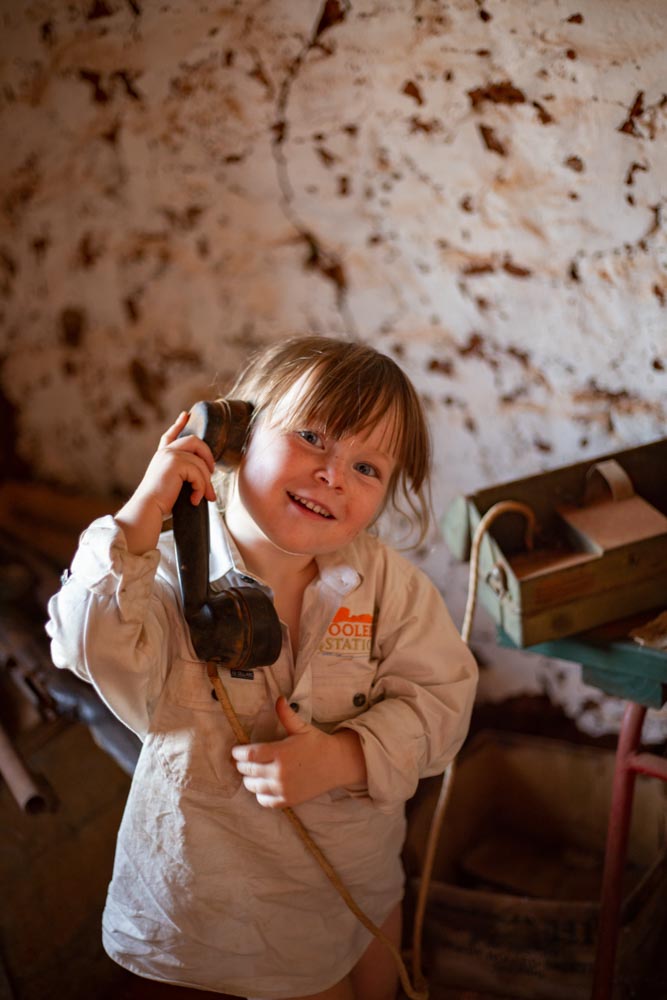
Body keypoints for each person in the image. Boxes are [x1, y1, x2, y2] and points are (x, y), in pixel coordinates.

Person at [46, 336, 477, 1000]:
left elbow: (440, 703)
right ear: (232, 434)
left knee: (379, 976)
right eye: (312, 437)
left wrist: (343, 757)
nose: (334, 475)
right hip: (229, 911)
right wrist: (140, 514)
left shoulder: (390, 586)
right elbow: (83, 639)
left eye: (367, 468)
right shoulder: (156, 576)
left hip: (360, 881)